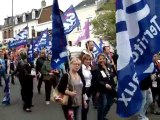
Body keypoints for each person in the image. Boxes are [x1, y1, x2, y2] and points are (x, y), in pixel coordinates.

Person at [96, 54, 117, 120]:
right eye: (100, 59)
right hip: (102, 90)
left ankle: (103, 116)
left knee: (110, 103)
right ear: (97, 60)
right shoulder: (96, 68)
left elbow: (113, 75)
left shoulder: (109, 66)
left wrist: (110, 68)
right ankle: (100, 118)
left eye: (103, 59)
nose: (102, 60)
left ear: (105, 59)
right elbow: (97, 80)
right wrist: (104, 84)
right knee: (102, 106)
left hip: (111, 89)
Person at [78, 54, 93, 120]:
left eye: (89, 60)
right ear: (83, 60)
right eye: (86, 59)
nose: (88, 61)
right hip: (83, 89)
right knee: (85, 106)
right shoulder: (80, 68)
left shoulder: (90, 68)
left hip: (89, 89)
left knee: (86, 105)